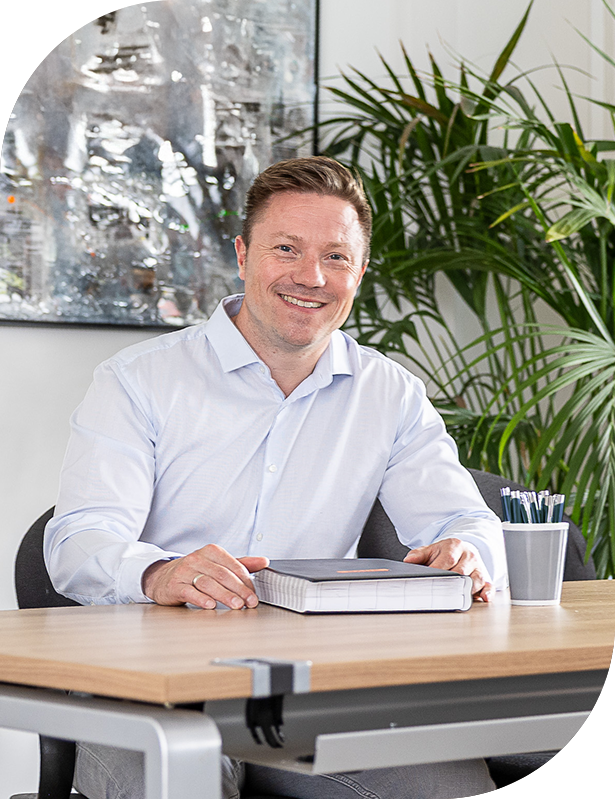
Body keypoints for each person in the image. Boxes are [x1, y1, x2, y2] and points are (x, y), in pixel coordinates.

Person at [45, 156, 505, 798]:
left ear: (361, 271)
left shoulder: (390, 393)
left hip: (308, 695)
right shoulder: (137, 381)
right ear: (242, 254)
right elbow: (77, 542)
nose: (311, 277)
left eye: (336, 257)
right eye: (286, 249)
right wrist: (159, 573)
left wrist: (467, 552)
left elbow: (466, 523)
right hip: (147, 686)